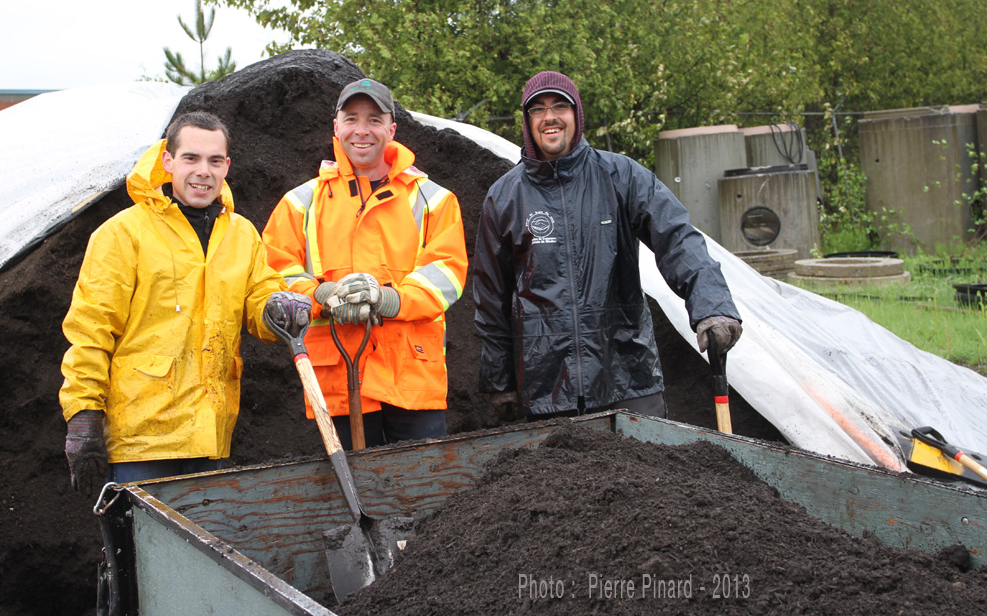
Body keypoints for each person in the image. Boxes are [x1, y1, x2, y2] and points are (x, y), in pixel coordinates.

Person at [59, 111, 311, 491]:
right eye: (191, 158)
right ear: (167, 161)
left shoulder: (242, 235)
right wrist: (83, 412)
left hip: (210, 434)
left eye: (214, 161)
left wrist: (275, 308)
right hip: (142, 440)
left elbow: (259, 298)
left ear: (227, 166)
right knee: (143, 548)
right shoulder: (124, 233)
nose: (203, 171)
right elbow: (91, 328)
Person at [472, 71, 742, 421]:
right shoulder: (505, 196)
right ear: (527, 121)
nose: (549, 116)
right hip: (545, 388)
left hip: (628, 376)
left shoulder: (621, 176)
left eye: (559, 106)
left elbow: (677, 238)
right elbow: (490, 293)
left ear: (576, 114)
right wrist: (500, 378)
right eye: (537, 109)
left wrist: (712, 306)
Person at [263, 78, 468, 449]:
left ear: (391, 129)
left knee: (421, 491)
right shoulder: (301, 202)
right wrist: (321, 294)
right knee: (354, 492)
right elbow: (273, 272)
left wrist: (390, 301)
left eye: (374, 120)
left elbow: (447, 273)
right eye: (352, 118)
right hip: (339, 377)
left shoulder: (435, 199)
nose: (362, 130)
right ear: (336, 126)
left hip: (411, 374)